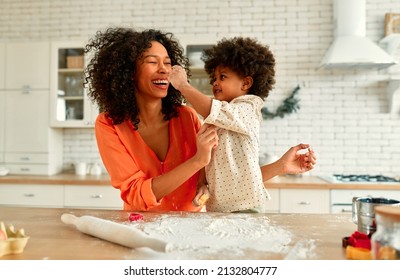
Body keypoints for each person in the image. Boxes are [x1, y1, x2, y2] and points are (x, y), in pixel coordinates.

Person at [84, 27, 316, 212]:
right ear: (128, 71)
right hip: (139, 229)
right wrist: (197, 161)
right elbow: (136, 194)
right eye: (153, 62)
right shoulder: (109, 124)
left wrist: (280, 167)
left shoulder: (187, 117)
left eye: (167, 62)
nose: (164, 69)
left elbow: (229, 179)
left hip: (192, 231)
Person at [170, 37, 316, 213]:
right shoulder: (219, 120)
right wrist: (203, 184)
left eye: (222, 77)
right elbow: (209, 159)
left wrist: (183, 86)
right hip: (218, 207)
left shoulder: (248, 108)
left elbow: (212, 109)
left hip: (246, 207)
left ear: (246, 83)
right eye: (214, 78)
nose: (215, 82)